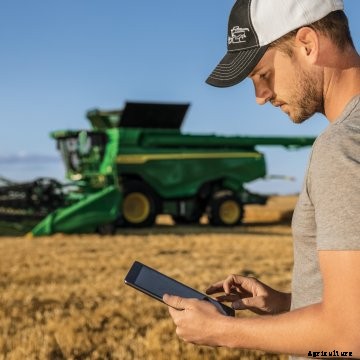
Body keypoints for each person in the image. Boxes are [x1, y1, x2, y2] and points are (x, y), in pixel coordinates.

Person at [163, 0, 360, 358]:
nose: (260, 97)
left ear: (307, 44)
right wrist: (287, 303)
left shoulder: (341, 147)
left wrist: (222, 330)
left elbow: (349, 335)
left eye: (263, 75)